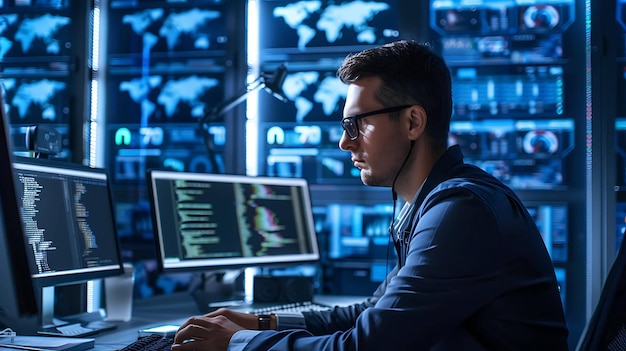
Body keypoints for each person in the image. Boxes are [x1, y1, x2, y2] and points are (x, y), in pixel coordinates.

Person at [171, 40, 569, 351]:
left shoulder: (461, 212)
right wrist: (259, 323)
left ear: (413, 121)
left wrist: (237, 344)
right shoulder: (436, 203)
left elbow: (368, 345)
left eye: (356, 124)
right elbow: (369, 314)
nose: (345, 143)